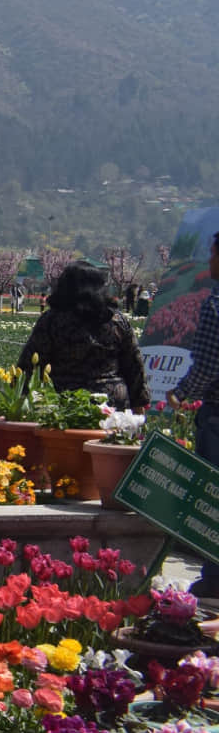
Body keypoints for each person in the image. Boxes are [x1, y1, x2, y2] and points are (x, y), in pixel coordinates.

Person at [15, 262, 148, 410]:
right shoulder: (116, 320)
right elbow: (134, 365)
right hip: (112, 405)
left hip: (64, 403)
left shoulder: (52, 320)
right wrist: (139, 404)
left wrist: (18, 397)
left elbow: (29, 363)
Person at [170, 231, 219, 596]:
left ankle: (216, 578)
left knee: (214, 497)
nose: (210, 262)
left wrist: (181, 392)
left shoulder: (215, 303)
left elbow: (208, 363)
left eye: (214, 254)